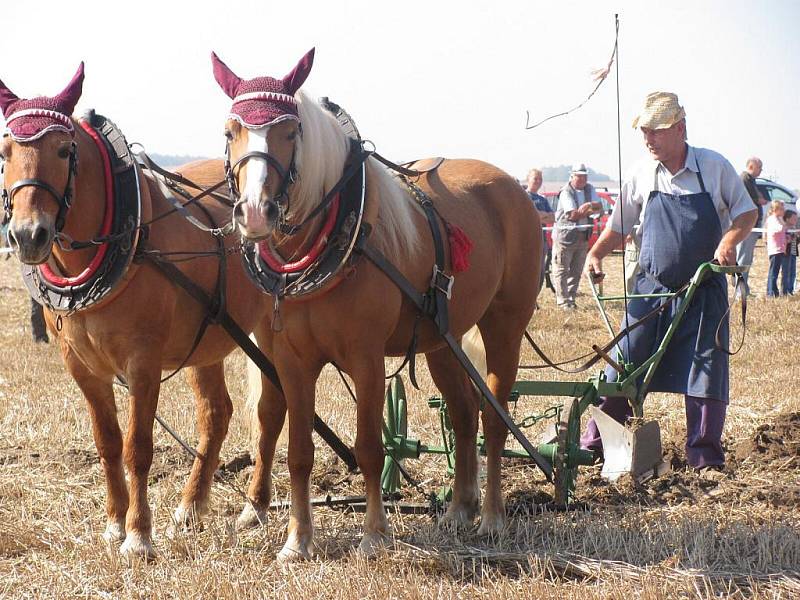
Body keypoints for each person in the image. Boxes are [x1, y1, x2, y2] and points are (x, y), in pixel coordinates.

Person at [580, 91, 757, 470]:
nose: (648, 139)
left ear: (680, 128)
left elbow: (746, 213)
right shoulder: (642, 173)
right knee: (623, 366)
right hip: (650, 288)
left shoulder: (714, 167)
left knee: (706, 373)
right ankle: (594, 445)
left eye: (656, 131)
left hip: (703, 289)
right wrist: (595, 253)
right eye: (644, 131)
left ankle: (704, 460)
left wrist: (728, 242)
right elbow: (618, 227)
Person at [551, 163, 602, 309]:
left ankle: (571, 299)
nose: (582, 179)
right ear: (572, 176)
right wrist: (590, 209)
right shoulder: (566, 191)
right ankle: (562, 301)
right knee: (561, 269)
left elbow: (600, 207)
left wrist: (588, 206)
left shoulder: (589, 188)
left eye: (584, 176)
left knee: (576, 270)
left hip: (583, 236)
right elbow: (572, 215)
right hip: (565, 237)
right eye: (579, 176)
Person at [735, 157, 768, 295]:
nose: (761, 171)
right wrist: (758, 200)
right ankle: (740, 292)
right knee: (743, 258)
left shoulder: (750, 180)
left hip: (750, 224)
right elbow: (744, 198)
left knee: (746, 258)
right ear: (751, 166)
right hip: (746, 224)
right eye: (759, 167)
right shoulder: (744, 179)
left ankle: (744, 290)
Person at [526, 168, 555, 291]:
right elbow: (530, 216)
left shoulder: (542, 199)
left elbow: (552, 218)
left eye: (540, 179)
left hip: (542, 240)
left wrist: (538, 215)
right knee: (527, 269)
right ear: (528, 179)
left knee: (540, 271)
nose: (538, 181)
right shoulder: (523, 196)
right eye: (535, 178)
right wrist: (541, 215)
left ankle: (534, 297)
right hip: (527, 240)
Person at [765, 200, 787, 297]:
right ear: (776, 209)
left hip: (779, 249)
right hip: (775, 250)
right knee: (773, 273)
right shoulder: (772, 219)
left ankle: (774, 291)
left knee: (775, 272)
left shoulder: (777, 218)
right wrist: (783, 222)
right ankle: (771, 292)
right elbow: (780, 228)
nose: (783, 211)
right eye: (781, 209)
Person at [785, 210, 798, 295]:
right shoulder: (785, 228)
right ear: (787, 219)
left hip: (793, 252)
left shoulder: (794, 228)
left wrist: (797, 237)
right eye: (793, 219)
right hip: (787, 253)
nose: (795, 221)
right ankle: (786, 289)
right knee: (787, 271)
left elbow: (796, 242)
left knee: (793, 272)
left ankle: (791, 289)